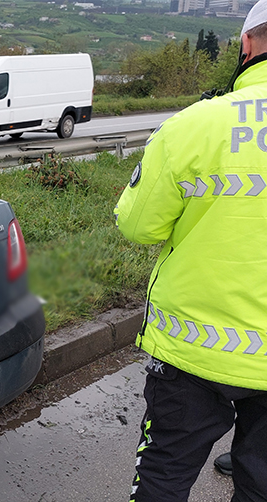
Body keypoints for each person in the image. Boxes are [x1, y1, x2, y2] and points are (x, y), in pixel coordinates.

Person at [115, 1, 267, 500]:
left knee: (164, 476)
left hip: (193, 349)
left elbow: (137, 226)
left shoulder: (196, 123)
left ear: (246, 44)